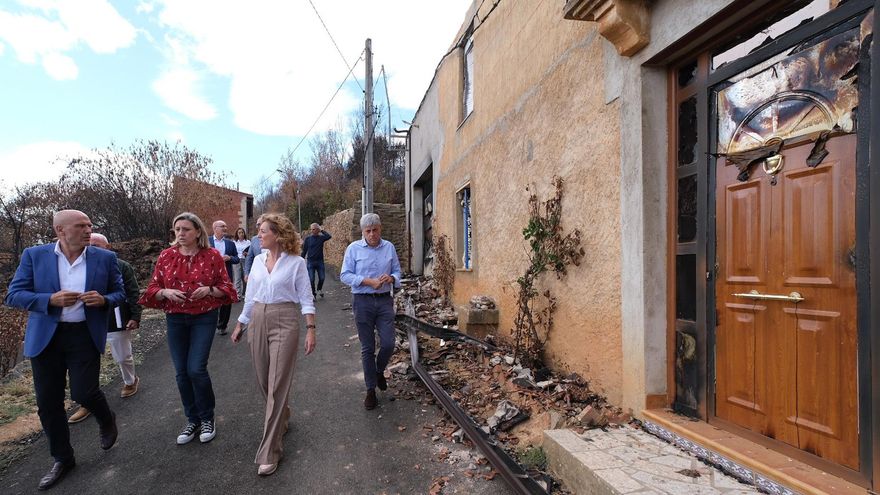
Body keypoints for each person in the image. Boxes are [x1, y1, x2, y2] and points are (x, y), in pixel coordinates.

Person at [5, 210, 125, 490]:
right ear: (60, 230)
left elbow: (120, 293)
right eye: (81, 226)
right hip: (47, 338)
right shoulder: (34, 255)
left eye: (90, 225)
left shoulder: (105, 258)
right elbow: (14, 294)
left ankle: (107, 418)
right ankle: (63, 458)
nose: (88, 230)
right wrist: (50, 299)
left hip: (83, 334)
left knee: (84, 392)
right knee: (48, 404)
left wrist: (104, 300)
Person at [139, 212, 237, 445]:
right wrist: (165, 292)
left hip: (204, 317)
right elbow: (152, 289)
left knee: (196, 369)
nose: (180, 234)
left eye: (186, 229)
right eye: (177, 229)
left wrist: (210, 290)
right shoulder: (166, 256)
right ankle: (191, 419)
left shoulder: (212, 255)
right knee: (181, 372)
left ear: (198, 232)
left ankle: (207, 418)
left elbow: (227, 287)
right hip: (175, 319)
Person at [231, 213, 316, 476]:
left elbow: (306, 296)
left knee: (278, 384)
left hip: (285, 320)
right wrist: (240, 323)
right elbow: (250, 296)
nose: (258, 234)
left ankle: (271, 450)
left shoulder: (297, 263)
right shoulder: (256, 260)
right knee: (263, 381)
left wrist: (311, 328)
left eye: (262, 230)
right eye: (257, 230)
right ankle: (283, 414)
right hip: (257, 318)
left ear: (277, 234)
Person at [68, 233, 143, 425]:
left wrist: (135, 316)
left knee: (122, 355)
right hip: (86, 321)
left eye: (97, 245)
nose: (93, 249)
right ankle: (88, 401)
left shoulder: (121, 265)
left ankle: (130, 380)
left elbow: (133, 291)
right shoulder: (77, 265)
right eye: (90, 245)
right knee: (85, 363)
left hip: (115, 317)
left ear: (107, 247)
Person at [340, 213, 401, 410]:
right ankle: (370, 391)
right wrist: (367, 281)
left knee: (389, 343)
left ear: (380, 228)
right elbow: (345, 275)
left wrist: (391, 278)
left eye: (375, 230)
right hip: (362, 301)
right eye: (368, 231)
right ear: (362, 232)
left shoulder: (389, 247)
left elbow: (398, 272)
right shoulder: (353, 249)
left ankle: (379, 371)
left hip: (384, 301)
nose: (372, 234)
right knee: (367, 348)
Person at [208, 220, 239, 335]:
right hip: (209, 276)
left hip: (226, 276)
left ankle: (222, 325)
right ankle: (210, 324)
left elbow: (237, 259)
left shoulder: (230, 243)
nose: (225, 228)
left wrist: (230, 258)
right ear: (215, 228)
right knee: (211, 299)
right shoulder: (206, 241)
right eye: (222, 226)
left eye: (225, 226)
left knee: (226, 301)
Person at [301, 223, 332, 299]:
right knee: (311, 279)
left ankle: (319, 289)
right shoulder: (308, 239)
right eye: (311, 229)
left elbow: (329, 236)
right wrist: (301, 261)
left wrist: (322, 230)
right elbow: (304, 251)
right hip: (310, 262)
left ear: (318, 230)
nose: (312, 230)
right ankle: (313, 294)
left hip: (319, 261)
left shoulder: (321, 238)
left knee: (322, 278)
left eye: (314, 229)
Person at [232, 227, 250, 299]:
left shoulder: (248, 242)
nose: (241, 234)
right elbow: (232, 252)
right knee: (237, 278)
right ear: (237, 234)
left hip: (245, 260)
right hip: (237, 260)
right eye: (239, 233)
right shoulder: (234, 242)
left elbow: (250, 252)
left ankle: (245, 294)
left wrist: (247, 253)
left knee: (245, 278)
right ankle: (238, 295)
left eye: (242, 232)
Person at [243, 217, 263, 284]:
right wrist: (247, 273)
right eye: (257, 224)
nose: (257, 226)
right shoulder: (254, 239)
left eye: (259, 224)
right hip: (258, 274)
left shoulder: (274, 238)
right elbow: (249, 258)